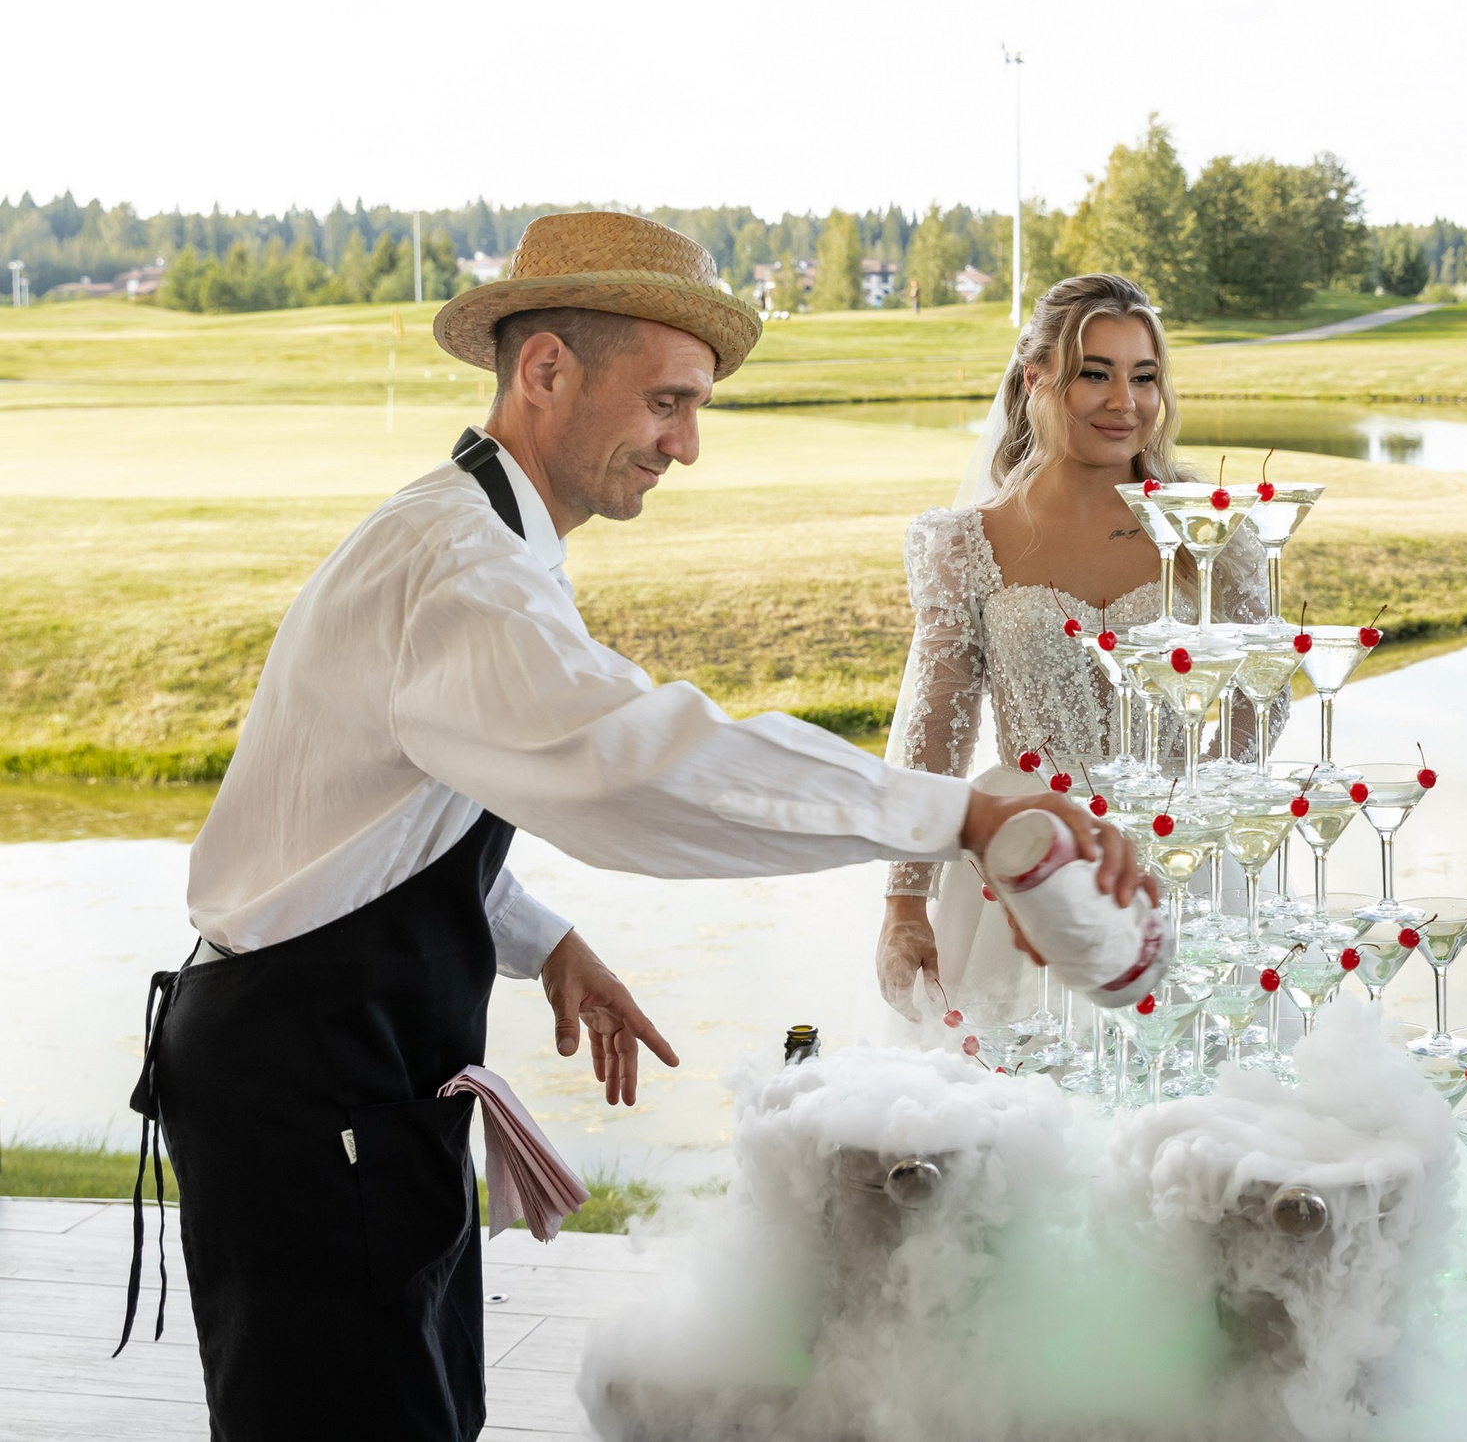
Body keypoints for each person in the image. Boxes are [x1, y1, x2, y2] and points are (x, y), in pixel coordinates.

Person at [126, 211, 1137, 1442]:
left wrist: (539, 938)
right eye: (668, 402)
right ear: (546, 369)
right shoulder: (461, 569)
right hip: (310, 1086)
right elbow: (632, 765)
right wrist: (963, 816)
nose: (688, 447)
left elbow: (367, 822)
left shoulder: (485, 536)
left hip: (349, 1072)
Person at [877, 271, 1271, 1019]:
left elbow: (1265, 687)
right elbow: (935, 732)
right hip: (1025, 868)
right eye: (1096, 373)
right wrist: (904, 902)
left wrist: (1197, 803)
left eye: (1144, 376)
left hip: (1182, 862)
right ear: (1036, 379)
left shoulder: (1209, 529)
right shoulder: (966, 542)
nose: (1126, 402)